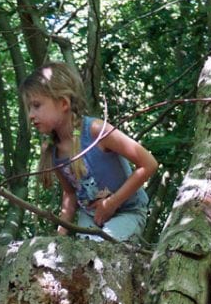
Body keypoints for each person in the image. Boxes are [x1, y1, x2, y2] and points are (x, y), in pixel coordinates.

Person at [20, 61, 157, 241]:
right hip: (91, 217)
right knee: (79, 256)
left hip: (127, 211)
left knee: (99, 253)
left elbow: (148, 164)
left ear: (63, 103)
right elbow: (70, 195)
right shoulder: (54, 152)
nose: (31, 115)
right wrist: (59, 238)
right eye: (29, 108)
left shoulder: (96, 130)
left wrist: (111, 203)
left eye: (36, 105)